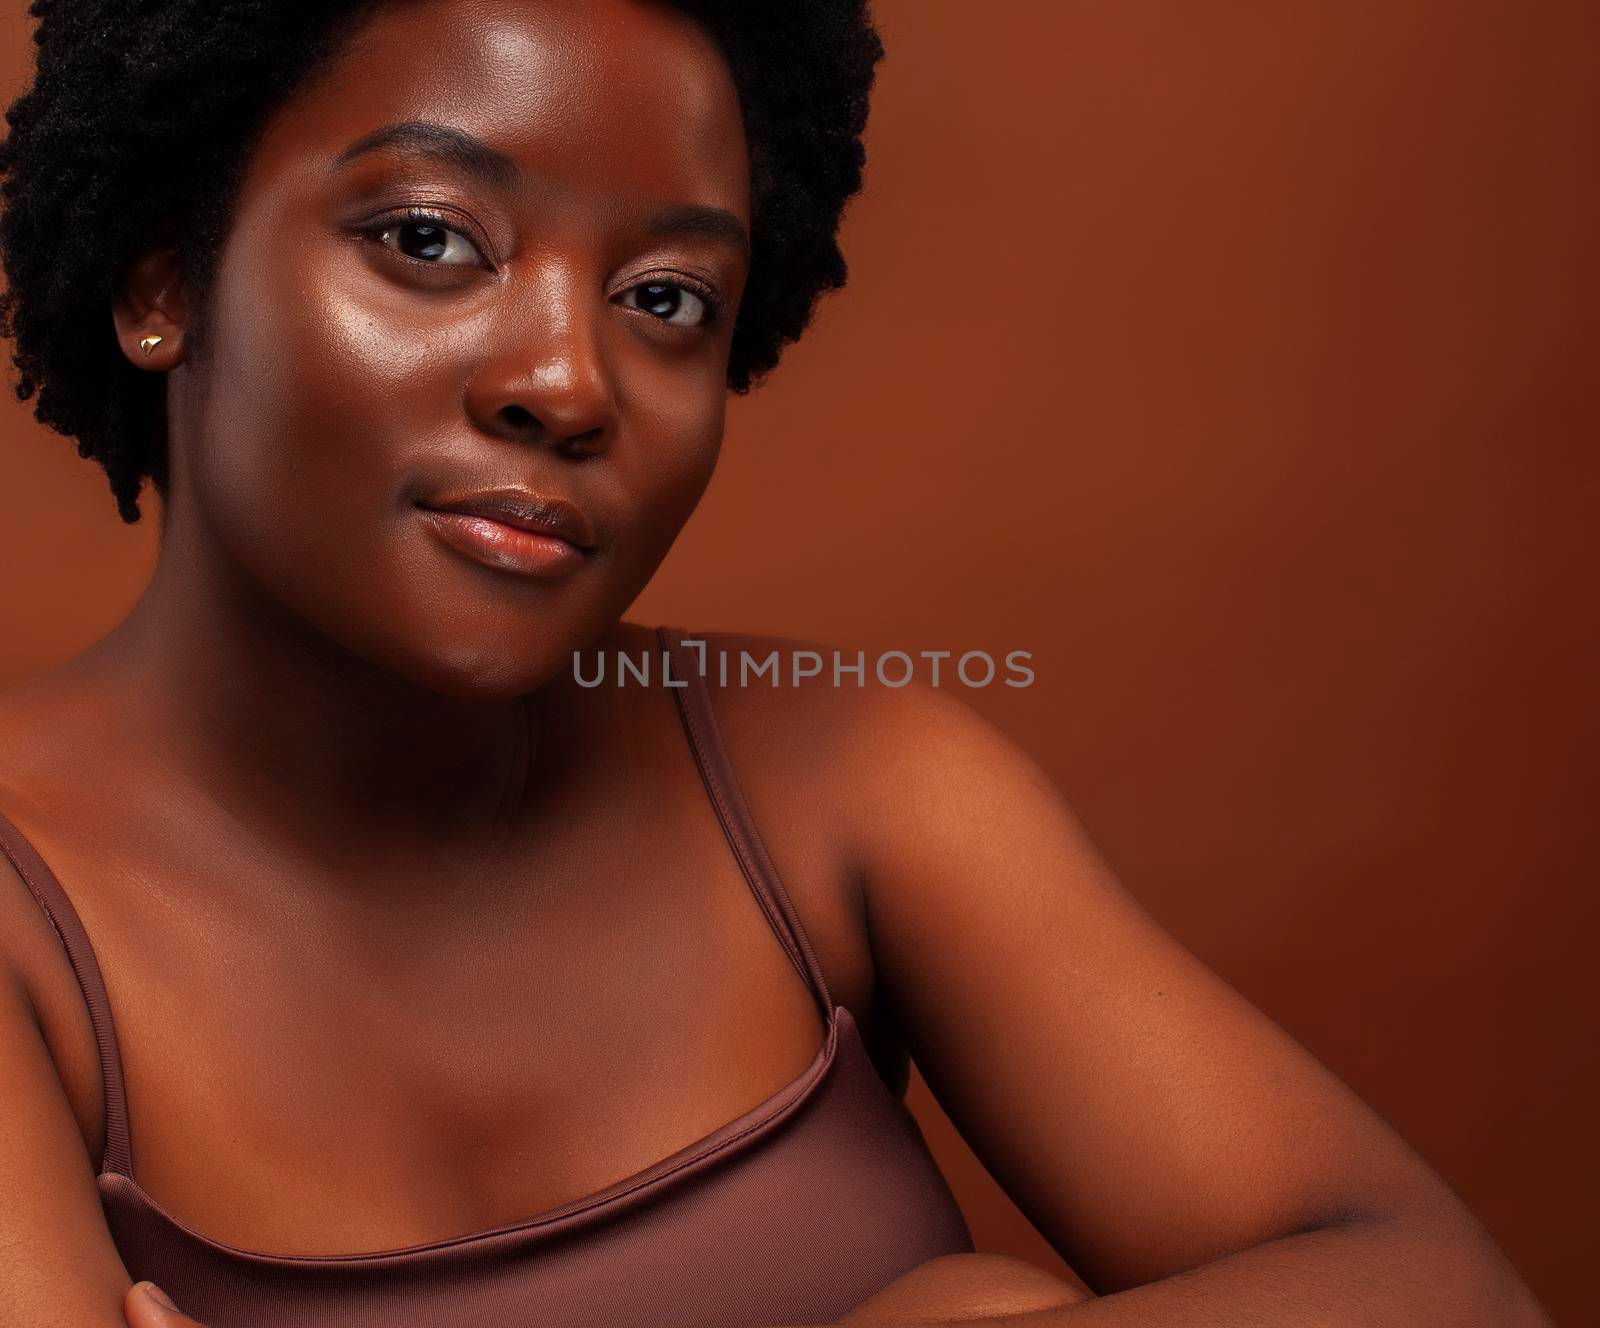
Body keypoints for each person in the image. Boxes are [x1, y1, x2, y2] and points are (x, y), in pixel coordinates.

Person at [0, 2, 1552, 1326]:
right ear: (162, 282)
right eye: (429, 241)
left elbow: (1433, 1286)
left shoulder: (838, 776)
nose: (568, 380)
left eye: (665, 299)